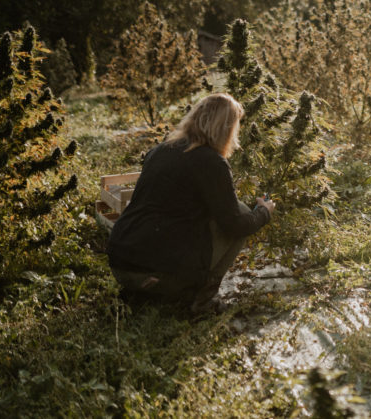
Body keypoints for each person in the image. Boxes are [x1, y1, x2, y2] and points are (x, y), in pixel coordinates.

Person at [107, 93, 275, 314]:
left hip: (121, 261)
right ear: (226, 128)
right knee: (243, 212)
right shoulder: (211, 162)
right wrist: (263, 212)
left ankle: (142, 295)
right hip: (157, 271)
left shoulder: (161, 150)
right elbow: (234, 224)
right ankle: (199, 301)